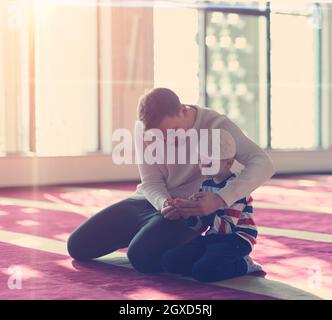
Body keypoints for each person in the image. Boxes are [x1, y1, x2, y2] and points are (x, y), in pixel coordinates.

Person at [67, 88, 275, 274]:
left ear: (183, 111)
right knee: (77, 246)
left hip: (190, 210)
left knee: (141, 258)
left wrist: (220, 199)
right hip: (151, 202)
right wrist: (163, 203)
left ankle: (219, 252)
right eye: (160, 136)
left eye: (173, 131)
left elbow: (262, 163)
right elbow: (151, 182)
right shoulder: (145, 130)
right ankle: (152, 234)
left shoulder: (216, 125)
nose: (167, 140)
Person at [160, 130, 264, 282]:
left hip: (236, 240)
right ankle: (206, 262)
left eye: (209, 162)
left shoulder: (236, 188)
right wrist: (187, 213)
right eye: (201, 161)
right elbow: (200, 225)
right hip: (214, 237)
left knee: (204, 272)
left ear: (228, 163)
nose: (203, 166)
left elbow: (227, 228)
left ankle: (244, 264)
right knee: (170, 261)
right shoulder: (206, 185)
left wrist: (202, 211)